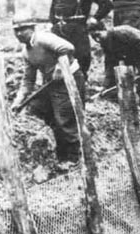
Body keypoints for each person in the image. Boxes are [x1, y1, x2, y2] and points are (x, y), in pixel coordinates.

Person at [11, 11, 85, 169]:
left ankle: (74, 158)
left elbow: (68, 47)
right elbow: (28, 80)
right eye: (15, 30)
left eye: (22, 29)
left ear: (32, 28)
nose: (18, 33)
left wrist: (60, 67)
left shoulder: (43, 38)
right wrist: (18, 100)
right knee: (38, 109)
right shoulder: (26, 52)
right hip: (51, 84)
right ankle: (59, 152)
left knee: (64, 117)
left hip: (69, 79)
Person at [49, 0, 112, 78]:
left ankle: (81, 91)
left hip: (77, 31)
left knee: (81, 61)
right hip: (58, 31)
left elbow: (106, 4)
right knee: (55, 61)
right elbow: (53, 8)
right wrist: (53, 24)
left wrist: (95, 19)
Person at [91, 23, 140, 104]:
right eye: (94, 37)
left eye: (98, 35)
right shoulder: (106, 42)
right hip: (132, 54)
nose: (97, 39)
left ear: (105, 30)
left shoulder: (120, 33)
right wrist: (105, 86)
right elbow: (110, 65)